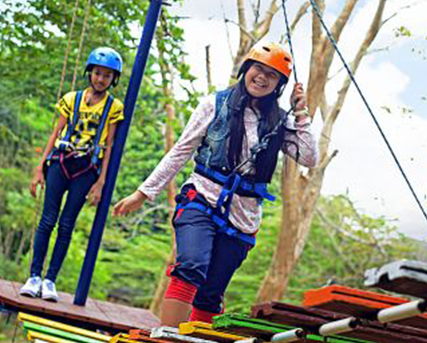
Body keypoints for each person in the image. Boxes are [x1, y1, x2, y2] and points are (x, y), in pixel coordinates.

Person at [113, 42, 317, 326]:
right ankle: (168, 335)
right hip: (202, 199)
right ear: (246, 69)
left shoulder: (279, 122)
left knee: (211, 293)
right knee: (192, 266)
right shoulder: (215, 104)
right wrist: (143, 193)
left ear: (279, 84)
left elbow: (308, 157)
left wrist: (301, 113)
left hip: (242, 217)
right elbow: (181, 150)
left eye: (272, 75)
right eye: (258, 68)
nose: (262, 77)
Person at [20, 47, 125, 302]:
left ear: (113, 80)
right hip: (61, 162)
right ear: (90, 73)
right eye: (98, 74)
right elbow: (55, 133)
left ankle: (50, 280)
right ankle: (34, 276)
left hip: (86, 169)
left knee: (67, 225)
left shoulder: (113, 107)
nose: (101, 79)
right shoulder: (71, 99)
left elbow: (109, 145)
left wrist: (101, 182)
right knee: (47, 220)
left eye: (107, 76)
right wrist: (39, 167)